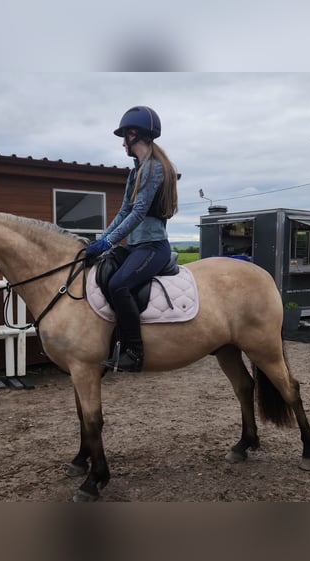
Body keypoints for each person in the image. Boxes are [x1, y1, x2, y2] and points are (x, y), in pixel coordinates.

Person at [85, 105, 178, 372]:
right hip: (135, 245)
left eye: (124, 136)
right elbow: (124, 210)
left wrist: (109, 241)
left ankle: (135, 352)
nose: (123, 143)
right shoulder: (135, 171)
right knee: (104, 270)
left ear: (134, 134)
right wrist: (103, 241)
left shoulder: (155, 169)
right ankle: (113, 341)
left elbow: (138, 213)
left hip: (153, 246)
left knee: (119, 285)